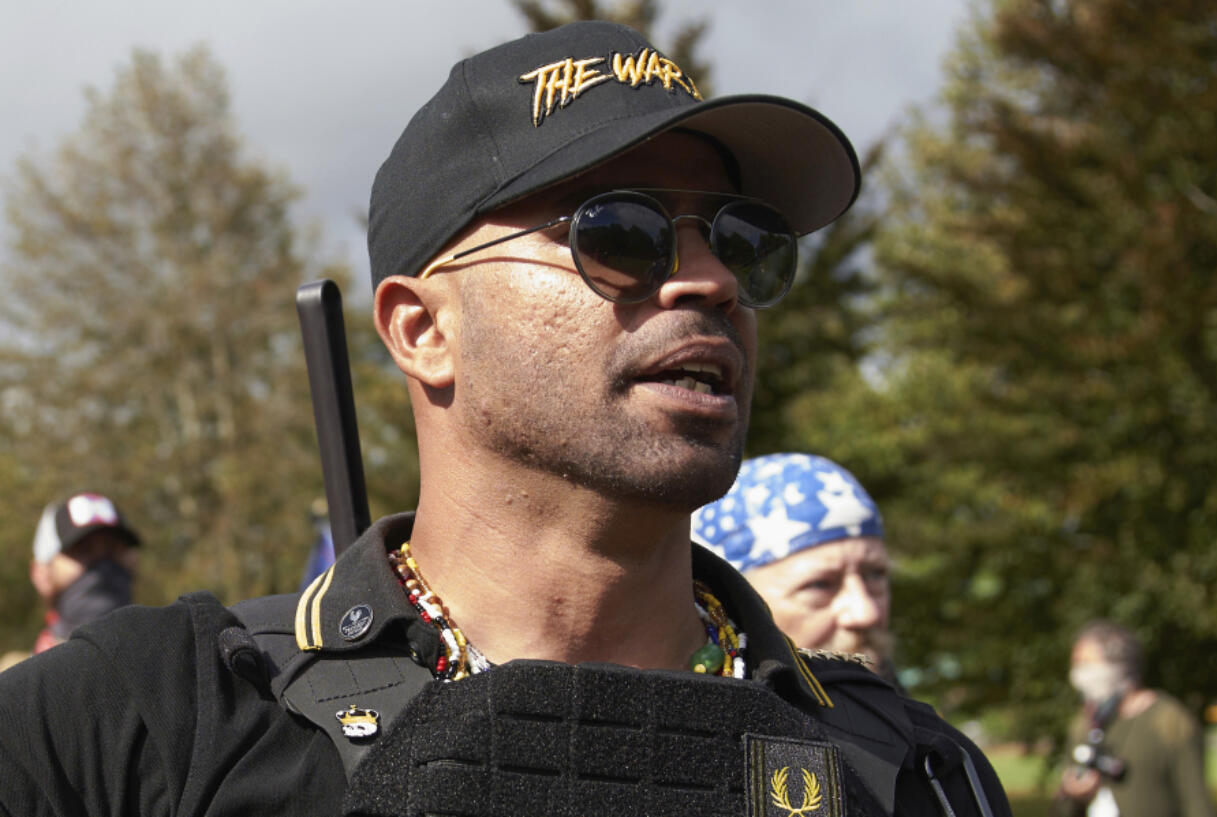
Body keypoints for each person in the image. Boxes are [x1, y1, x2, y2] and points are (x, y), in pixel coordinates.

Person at [0, 21, 1009, 816]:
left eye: (745, 240)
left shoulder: (910, 770)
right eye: (622, 230)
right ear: (421, 330)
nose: (707, 279)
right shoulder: (148, 723)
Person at [692, 452, 899, 683]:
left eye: (875, 575)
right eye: (820, 585)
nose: (866, 614)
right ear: (732, 599)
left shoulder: (916, 718)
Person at [1052, 620, 1217, 817]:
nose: (1078, 674)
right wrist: (1071, 795)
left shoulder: (1169, 721)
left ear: (1120, 666)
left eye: (1086, 663)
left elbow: (1196, 804)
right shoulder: (1084, 724)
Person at [28, 491, 140, 654]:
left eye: (113, 549)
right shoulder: (11, 677)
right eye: (83, 549)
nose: (103, 567)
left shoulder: (177, 666)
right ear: (41, 574)